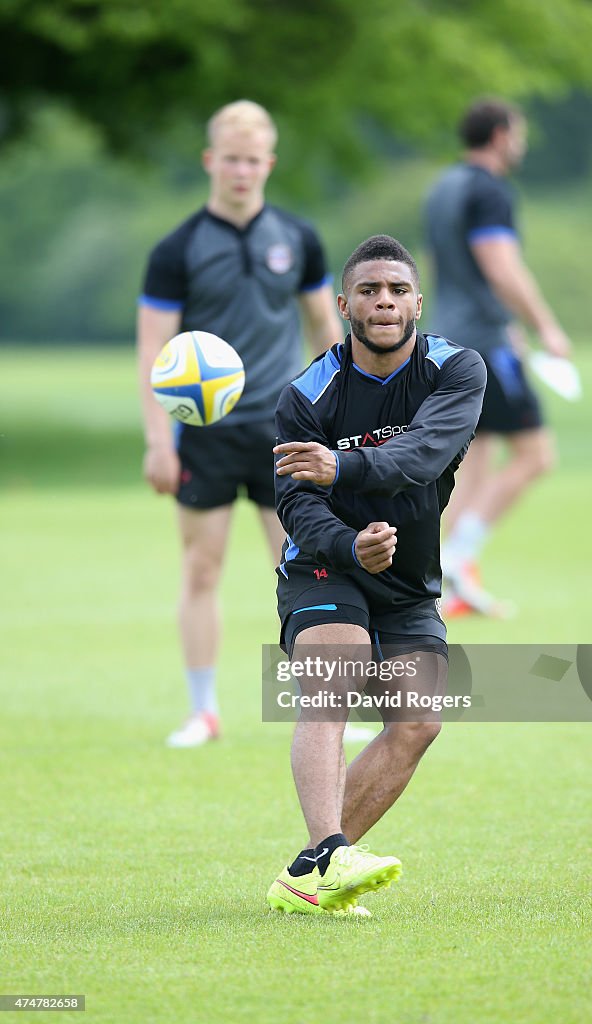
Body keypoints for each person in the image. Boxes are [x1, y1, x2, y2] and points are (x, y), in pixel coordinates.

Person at [266, 235, 486, 915]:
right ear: (343, 306)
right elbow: (295, 503)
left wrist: (346, 468)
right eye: (368, 290)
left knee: (419, 722)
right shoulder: (307, 395)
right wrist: (348, 543)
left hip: (409, 578)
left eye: (395, 289)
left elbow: (422, 455)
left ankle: (308, 872)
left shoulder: (457, 370)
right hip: (325, 566)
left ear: (417, 301)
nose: (383, 301)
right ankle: (331, 853)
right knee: (336, 674)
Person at [137, 100, 342, 747]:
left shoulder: (298, 238)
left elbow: (324, 331)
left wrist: (340, 414)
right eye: (231, 159)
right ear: (210, 161)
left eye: (253, 161)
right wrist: (156, 441)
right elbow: (151, 351)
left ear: (268, 164)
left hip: (283, 434)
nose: (242, 171)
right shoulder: (177, 249)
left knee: (305, 565)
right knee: (201, 567)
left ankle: (329, 706)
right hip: (205, 435)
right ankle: (203, 711)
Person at [425, 97, 572, 617]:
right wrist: (545, 326)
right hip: (484, 345)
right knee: (536, 454)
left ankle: (436, 582)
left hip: (449, 339)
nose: (522, 144)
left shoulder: (444, 186)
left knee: (476, 460)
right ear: (502, 134)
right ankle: (457, 559)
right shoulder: (490, 191)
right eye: (519, 133)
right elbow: (500, 267)